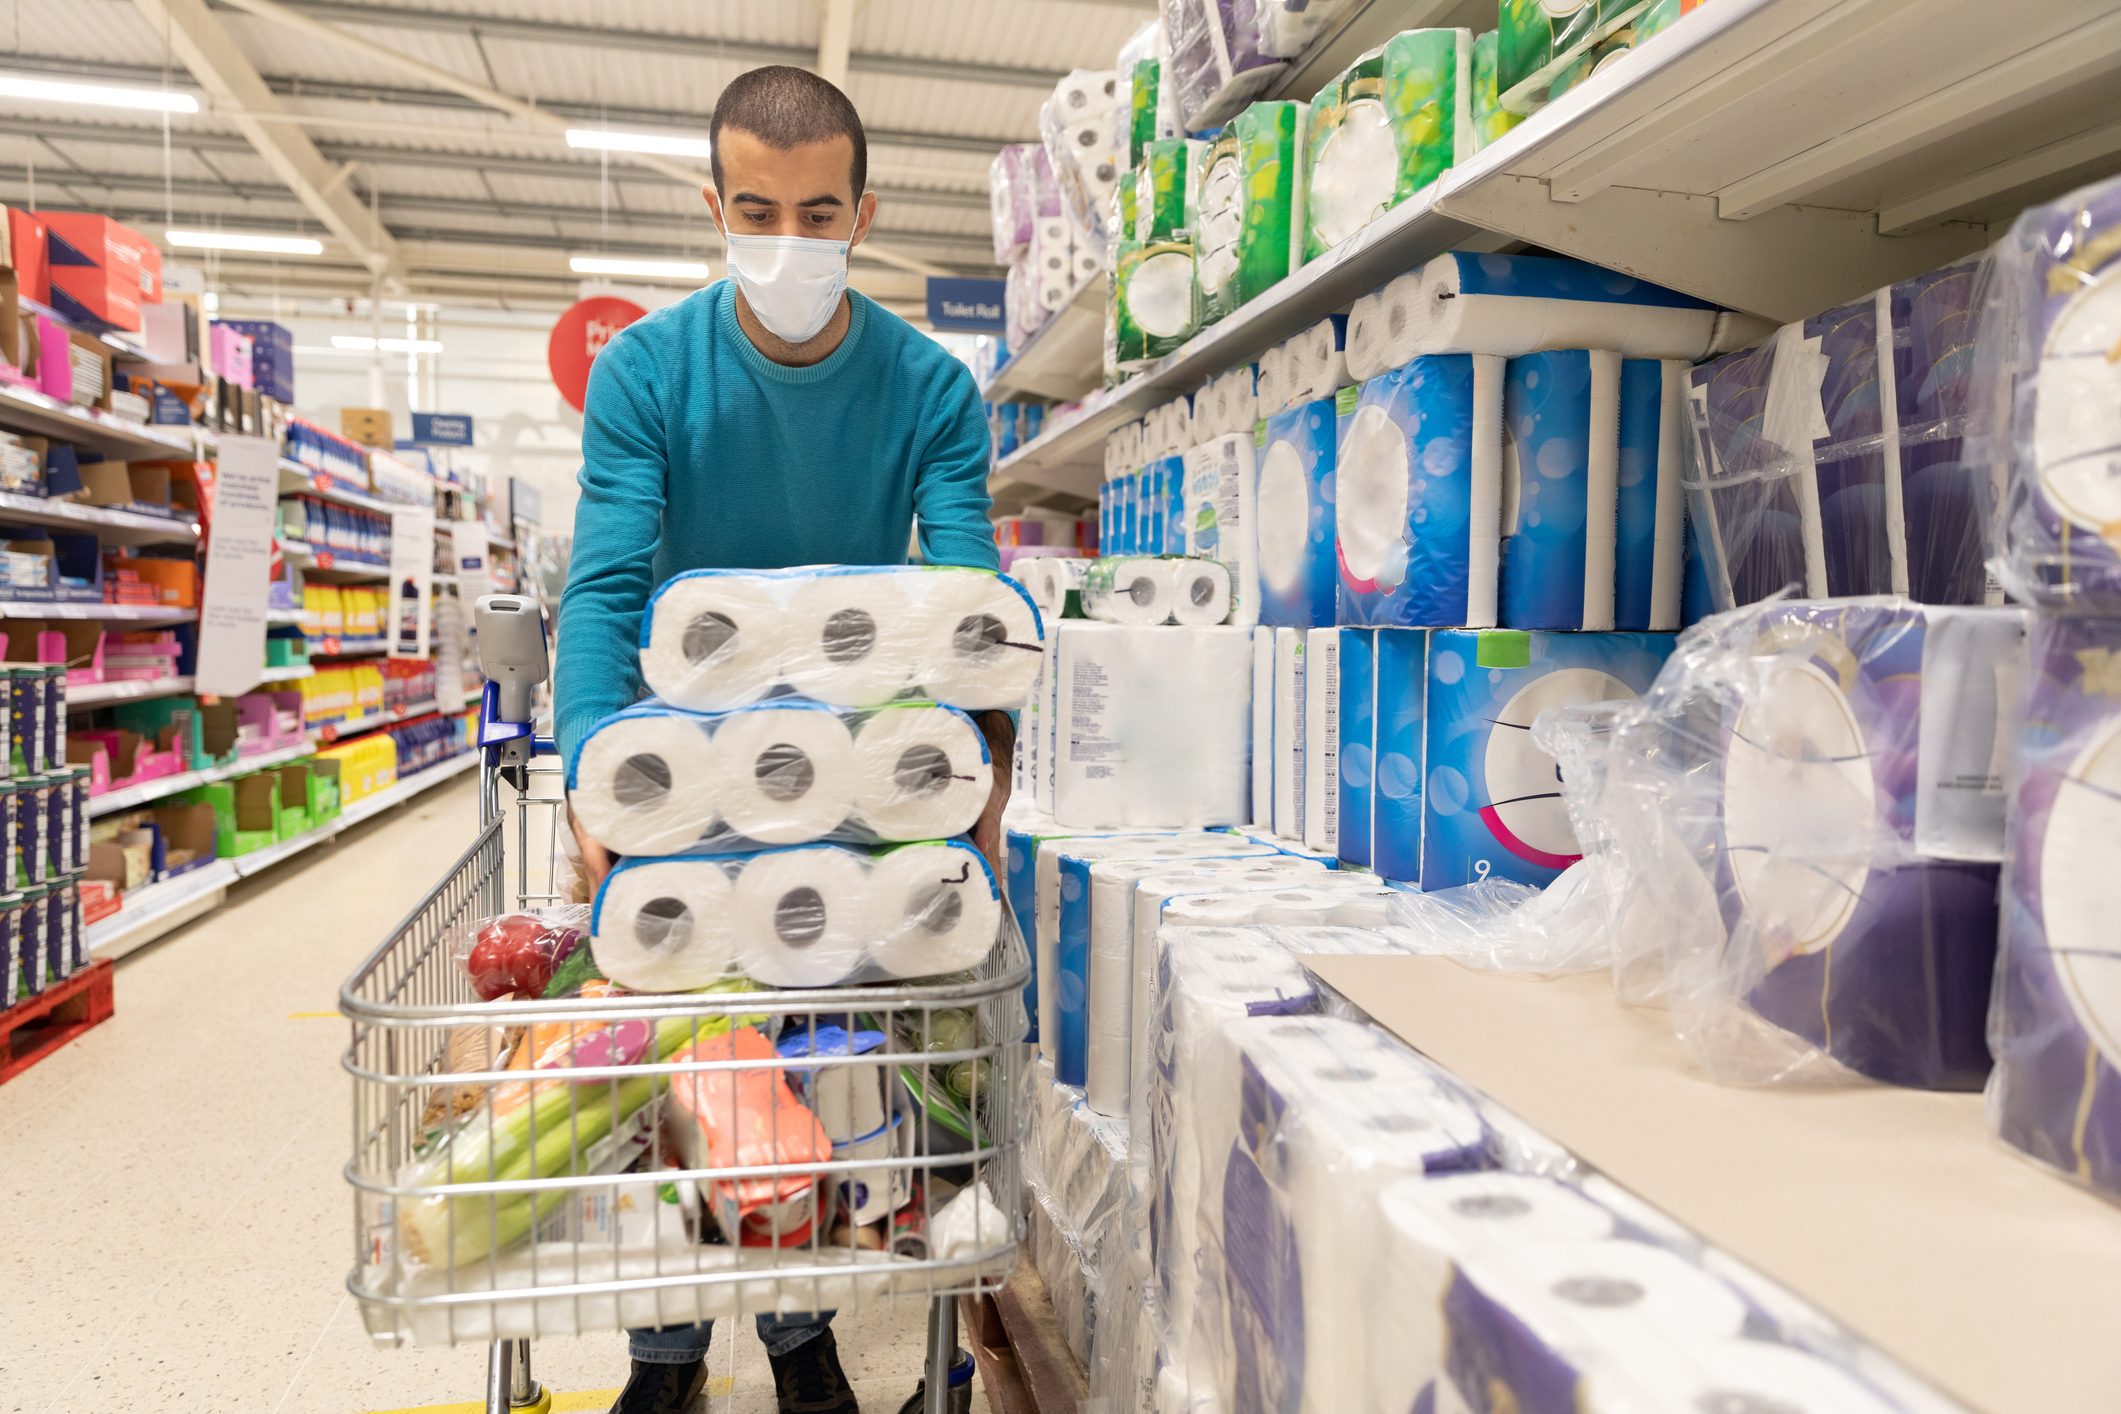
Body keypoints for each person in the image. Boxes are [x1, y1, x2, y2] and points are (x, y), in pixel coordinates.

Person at [554, 64, 1012, 1414]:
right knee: (673, 1051)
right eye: (756, 210)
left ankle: (801, 1328)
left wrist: (976, 769)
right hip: (672, 768)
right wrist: (593, 773)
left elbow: (968, 598)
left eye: (818, 213)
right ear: (712, 205)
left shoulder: (931, 388)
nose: (788, 242)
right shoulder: (646, 369)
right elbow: (606, 584)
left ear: (862, 211)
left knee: (813, 1051)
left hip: (843, 770)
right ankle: (669, 1350)